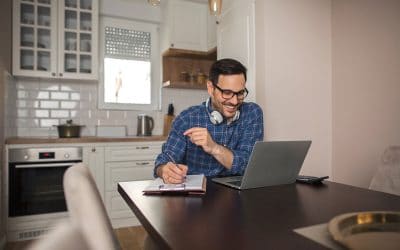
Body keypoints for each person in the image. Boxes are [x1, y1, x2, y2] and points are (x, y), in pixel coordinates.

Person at [154, 58, 264, 184]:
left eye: (240, 93)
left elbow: (248, 166)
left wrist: (214, 148)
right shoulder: (187, 119)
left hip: (238, 194)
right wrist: (164, 170)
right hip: (198, 196)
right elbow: (164, 160)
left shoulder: (252, 113)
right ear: (211, 88)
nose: (234, 101)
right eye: (227, 93)